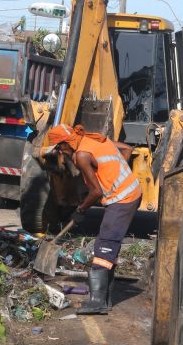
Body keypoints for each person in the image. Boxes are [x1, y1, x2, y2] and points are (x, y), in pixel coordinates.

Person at [45, 123, 142, 315]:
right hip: (130, 192)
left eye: (58, 148)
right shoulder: (93, 138)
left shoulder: (82, 155)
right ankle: (105, 301)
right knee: (108, 246)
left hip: (123, 199)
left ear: (65, 144)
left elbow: (96, 191)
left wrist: (80, 209)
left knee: (104, 246)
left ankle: (97, 302)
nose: (60, 152)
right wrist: (112, 174)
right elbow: (127, 149)